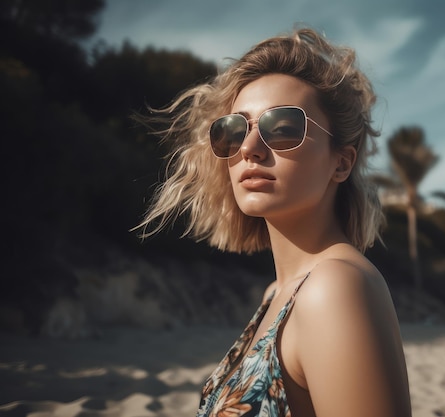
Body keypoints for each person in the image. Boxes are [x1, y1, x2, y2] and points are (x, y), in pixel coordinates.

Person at [138, 27, 412, 417]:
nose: (249, 149)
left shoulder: (334, 288)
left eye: (282, 128)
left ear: (341, 162)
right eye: (234, 130)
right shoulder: (277, 294)